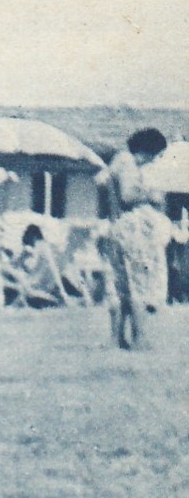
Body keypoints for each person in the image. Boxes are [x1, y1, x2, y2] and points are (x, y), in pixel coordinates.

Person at [99, 128, 172, 349]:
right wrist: (151, 193)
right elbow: (128, 195)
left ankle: (118, 338)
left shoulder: (119, 163)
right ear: (146, 150)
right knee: (138, 282)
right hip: (133, 229)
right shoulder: (127, 162)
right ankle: (139, 338)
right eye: (154, 155)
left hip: (121, 227)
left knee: (122, 285)